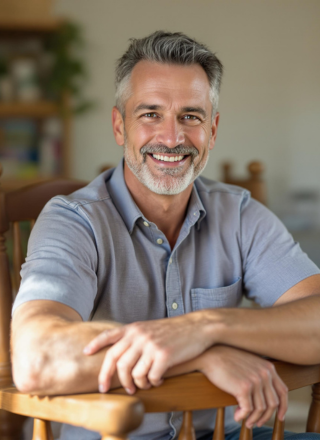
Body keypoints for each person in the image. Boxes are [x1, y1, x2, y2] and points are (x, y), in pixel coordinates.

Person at [11, 31, 320, 440]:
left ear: (212, 129)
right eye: (151, 114)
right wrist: (201, 354)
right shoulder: (74, 221)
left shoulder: (241, 213)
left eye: (190, 116)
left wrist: (205, 327)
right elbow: (38, 356)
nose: (172, 138)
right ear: (120, 126)